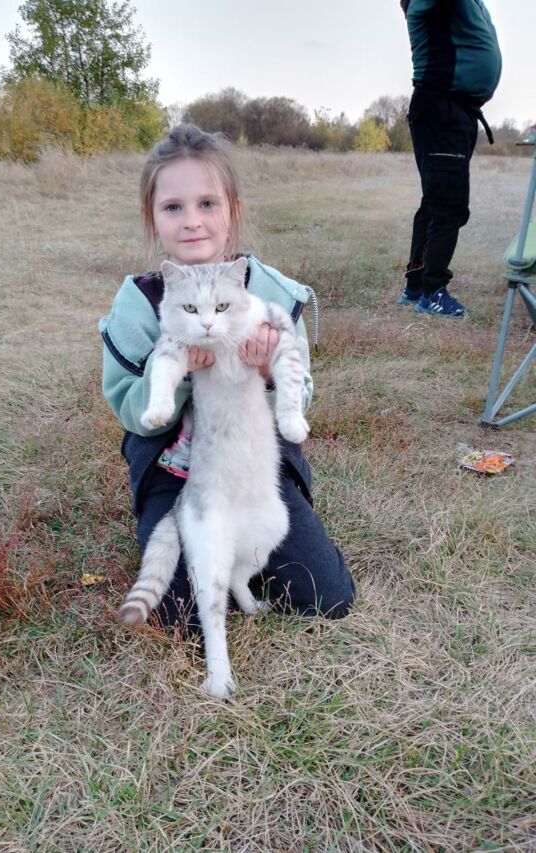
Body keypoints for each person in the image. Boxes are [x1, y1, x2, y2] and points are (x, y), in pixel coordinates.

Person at [99, 124, 356, 635]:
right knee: (176, 617)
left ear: (233, 210)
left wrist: (266, 372)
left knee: (327, 596)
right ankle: (196, 551)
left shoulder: (269, 294)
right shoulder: (142, 301)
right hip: (176, 476)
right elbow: (129, 407)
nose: (192, 221)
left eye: (207, 204)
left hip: (251, 470)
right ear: (152, 216)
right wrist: (181, 374)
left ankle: (248, 559)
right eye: (173, 207)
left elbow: (300, 391)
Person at [398, 0, 502, 317]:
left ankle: (417, 288)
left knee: (435, 202)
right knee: (447, 205)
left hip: (456, 111)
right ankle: (432, 292)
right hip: (442, 108)